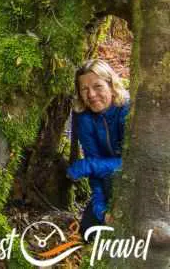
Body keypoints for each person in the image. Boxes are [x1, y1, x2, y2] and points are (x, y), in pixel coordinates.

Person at [66, 59, 129, 239]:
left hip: (135, 185)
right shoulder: (84, 118)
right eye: (84, 89)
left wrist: (88, 165)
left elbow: (132, 164)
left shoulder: (126, 110)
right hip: (107, 185)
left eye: (97, 86)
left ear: (111, 85)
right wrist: (101, 210)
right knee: (88, 233)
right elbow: (95, 169)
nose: (91, 94)